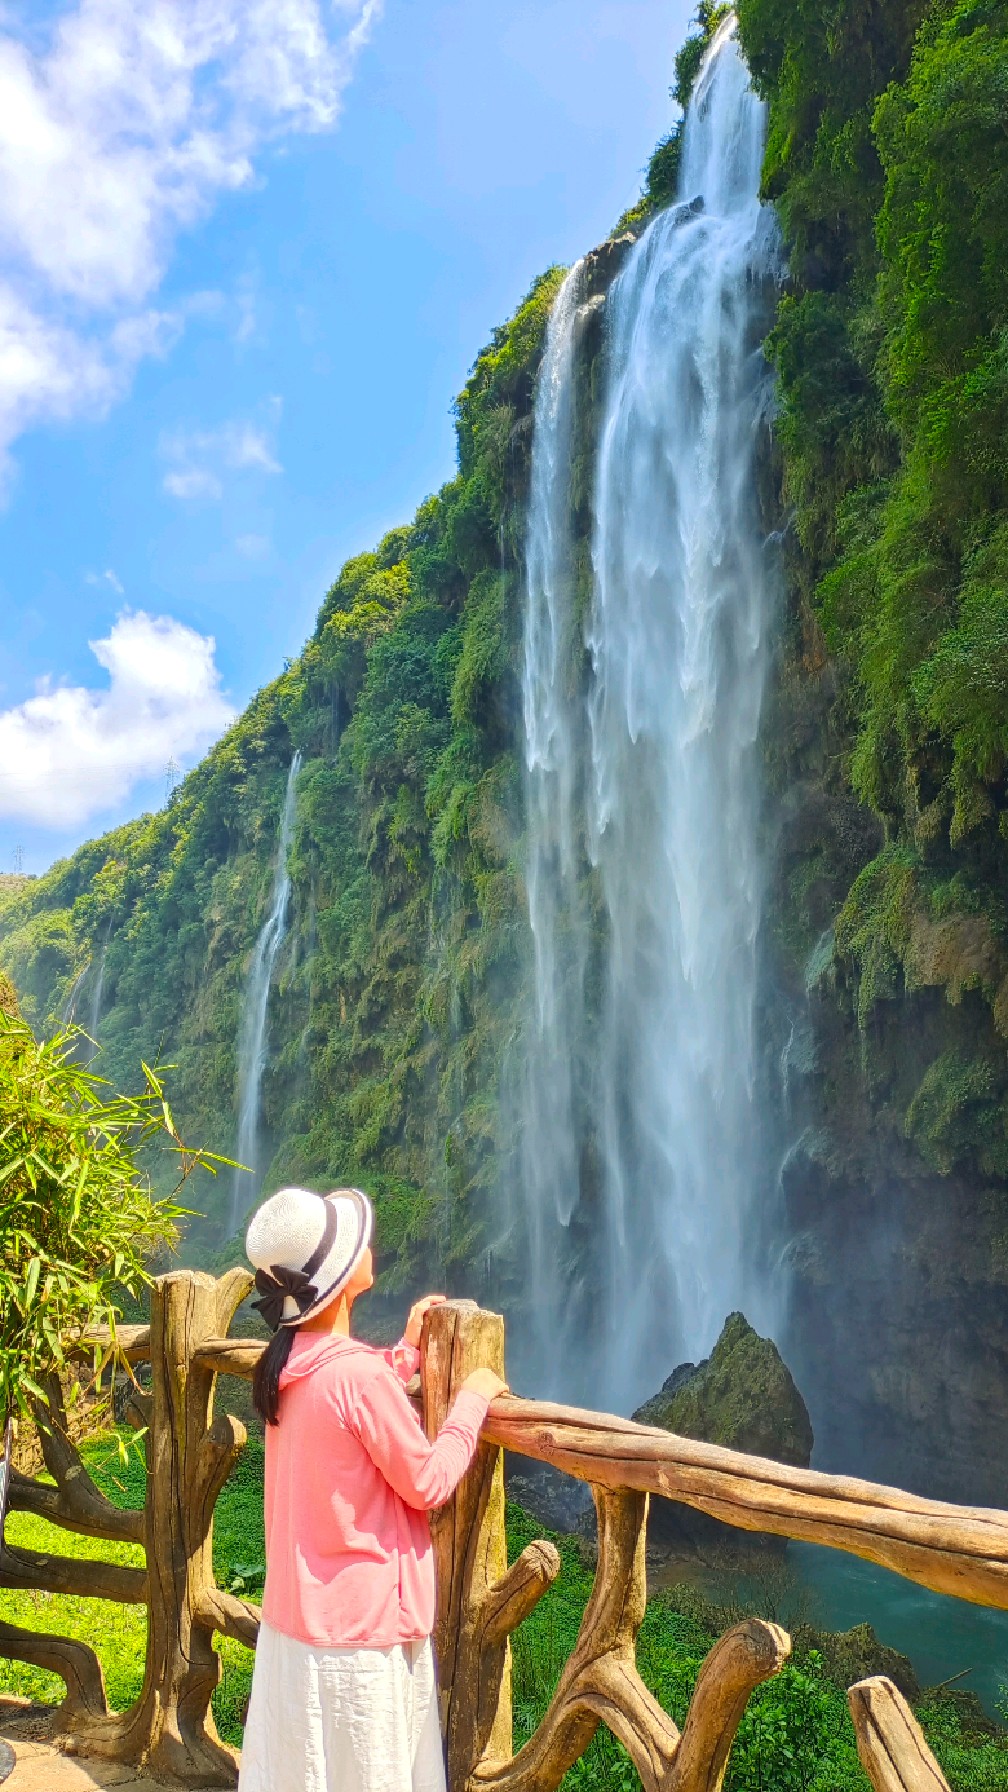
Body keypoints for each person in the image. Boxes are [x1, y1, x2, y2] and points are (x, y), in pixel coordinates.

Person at [237, 1184, 507, 1792]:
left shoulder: (288, 1365)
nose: (369, 1245)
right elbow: (428, 1481)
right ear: (335, 1282)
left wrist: (405, 1353)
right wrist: (473, 1398)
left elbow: (348, 1409)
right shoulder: (355, 1378)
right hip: (361, 1636)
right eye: (356, 1243)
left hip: (296, 1627)